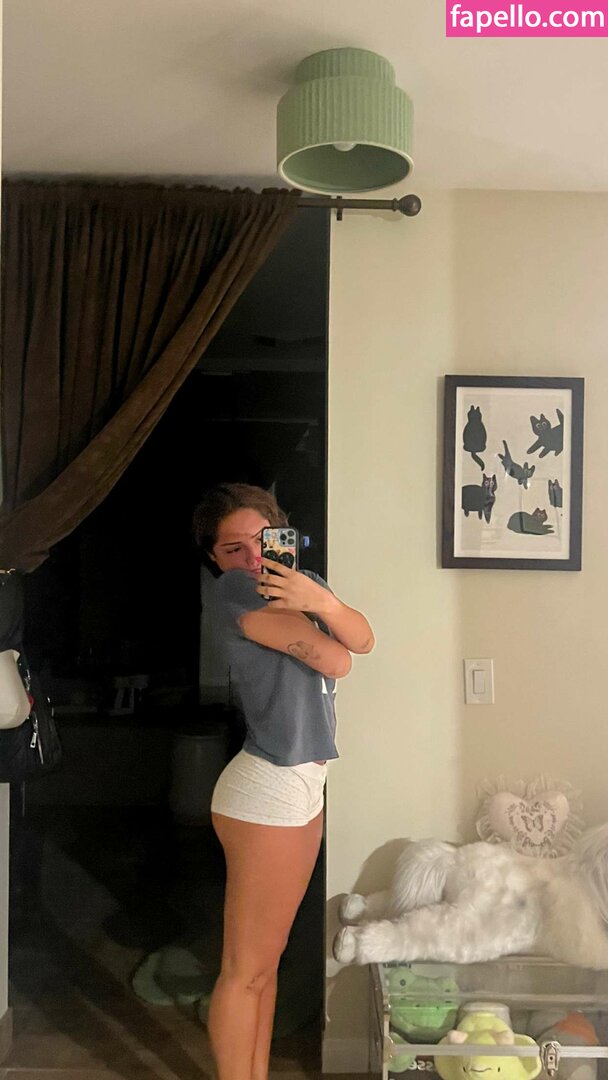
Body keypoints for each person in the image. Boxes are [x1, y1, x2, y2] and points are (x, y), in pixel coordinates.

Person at [192, 482, 374, 1080]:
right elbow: (338, 659)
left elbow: (364, 637)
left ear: (281, 533)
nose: (250, 558)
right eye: (232, 549)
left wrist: (316, 597)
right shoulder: (233, 592)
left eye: (260, 541)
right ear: (215, 558)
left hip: (301, 785)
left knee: (265, 970)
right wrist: (318, 608)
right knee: (244, 971)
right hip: (265, 787)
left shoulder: (302, 584)